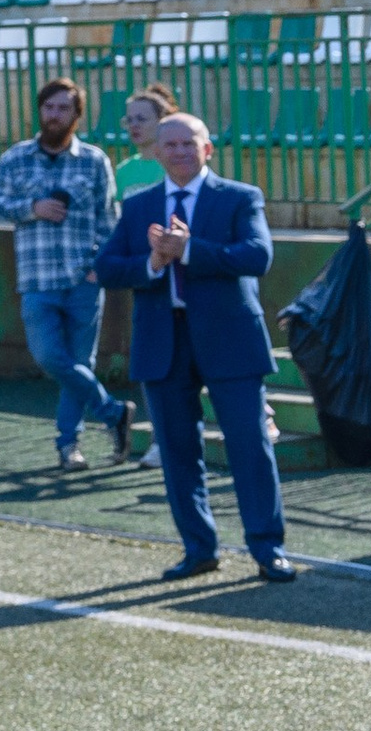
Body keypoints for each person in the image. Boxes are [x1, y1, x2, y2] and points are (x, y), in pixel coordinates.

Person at [95, 112, 295, 582]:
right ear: (158, 152)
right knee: (179, 452)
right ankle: (198, 548)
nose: (180, 152)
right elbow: (107, 268)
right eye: (171, 145)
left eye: (190, 144)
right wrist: (152, 261)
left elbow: (257, 256)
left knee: (250, 446)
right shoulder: (139, 204)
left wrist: (189, 250)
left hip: (230, 340)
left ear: (208, 149)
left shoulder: (240, 198)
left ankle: (268, 549)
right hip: (163, 342)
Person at [0, 77, 131, 470]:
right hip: (36, 278)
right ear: (40, 111)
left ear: (76, 115)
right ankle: (113, 412)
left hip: (83, 278)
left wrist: (99, 268)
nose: (54, 115)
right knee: (50, 358)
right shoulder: (14, 158)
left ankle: (68, 446)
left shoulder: (94, 160)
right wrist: (32, 208)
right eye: (49, 107)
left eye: (63, 108)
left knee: (80, 362)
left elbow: (109, 219)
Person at [116, 84, 182, 198]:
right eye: (129, 120)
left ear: (161, 121)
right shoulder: (124, 170)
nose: (134, 125)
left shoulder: (175, 166)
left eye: (141, 119)